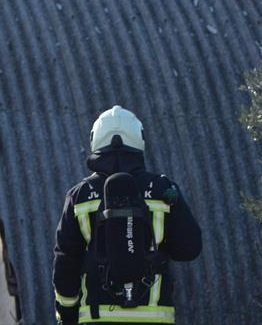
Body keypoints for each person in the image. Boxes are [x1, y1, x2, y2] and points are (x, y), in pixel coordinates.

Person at [53, 105, 202, 325]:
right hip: (155, 318)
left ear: (95, 141)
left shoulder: (80, 196)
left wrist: (66, 316)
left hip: (97, 319)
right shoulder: (163, 189)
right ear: (139, 141)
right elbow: (189, 249)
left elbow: (65, 264)